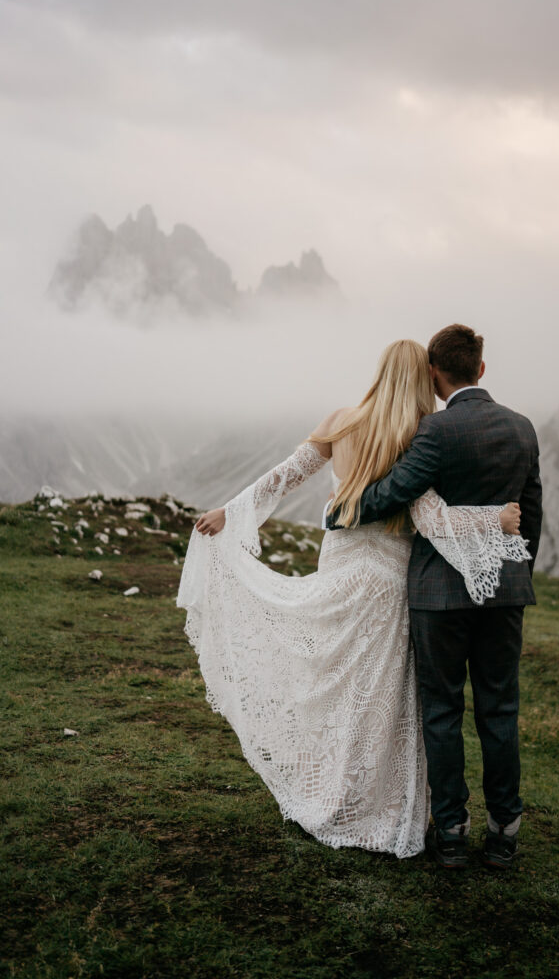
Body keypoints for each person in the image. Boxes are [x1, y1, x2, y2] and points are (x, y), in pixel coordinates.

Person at [177, 339, 530, 859]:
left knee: (333, 685)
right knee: (382, 699)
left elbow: (285, 474)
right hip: (389, 578)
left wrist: (231, 512)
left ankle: (329, 792)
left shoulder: (341, 421)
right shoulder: (418, 436)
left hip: (340, 566)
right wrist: (494, 521)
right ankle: (381, 805)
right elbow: (431, 520)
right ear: (424, 378)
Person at [328, 324, 542, 869]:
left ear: (434, 373)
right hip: (505, 594)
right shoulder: (522, 429)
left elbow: (396, 492)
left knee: (441, 711)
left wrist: (343, 509)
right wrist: (515, 572)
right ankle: (504, 832)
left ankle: (450, 830)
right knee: (500, 709)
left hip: (437, 595)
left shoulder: (436, 432)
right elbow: (531, 514)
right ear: (482, 370)